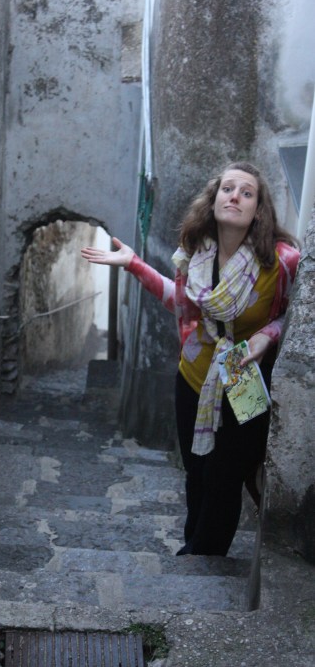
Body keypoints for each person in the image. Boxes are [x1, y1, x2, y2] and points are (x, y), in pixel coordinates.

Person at [81, 162, 300, 556]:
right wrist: (133, 265)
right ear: (213, 200)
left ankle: (205, 554)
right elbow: (180, 304)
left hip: (243, 379)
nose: (235, 197)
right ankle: (192, 547)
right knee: (196, 471)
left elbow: (295, 317)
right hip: (193, 378)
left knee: (225, 475)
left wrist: (266, 336)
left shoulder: (282, 261)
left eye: (246, 192)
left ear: (258, 209)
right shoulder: (196, 254)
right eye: (227, 189)